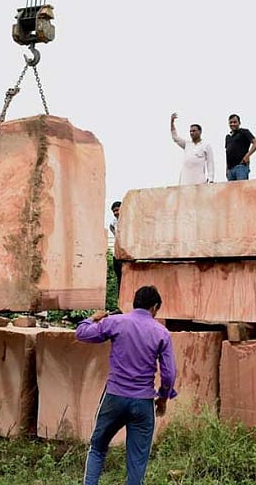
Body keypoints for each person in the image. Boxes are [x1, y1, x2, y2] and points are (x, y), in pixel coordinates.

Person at [76, 285, 177, 485]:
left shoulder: (115, 322)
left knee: (97, 447)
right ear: (155, 307)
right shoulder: (161, 333)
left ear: (134, 303)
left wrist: (93, 318)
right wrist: (163, 399)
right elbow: (169, 373)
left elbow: (81, 333)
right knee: (137, 460)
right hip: (143, 402)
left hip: (114, 397)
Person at [170, 112, 214, 185]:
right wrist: (172, 123)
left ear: (200, 132)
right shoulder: (187, 144)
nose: (191, 133)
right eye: (190, 131)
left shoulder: (206, 145)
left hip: (199, 181)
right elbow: (175, 138)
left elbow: (210, 163)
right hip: (185, 181)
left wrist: (211, 179)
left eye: (194, 131)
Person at [225, 113, 256, 181]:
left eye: (235, 122)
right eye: (231, 122)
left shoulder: (244, 132)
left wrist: (247, 156)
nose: (233, 124)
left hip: (241, 167)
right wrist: (226, 169)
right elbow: (227, 152)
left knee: (242, 189)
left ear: (239, 123)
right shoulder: (228, 137)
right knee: (232, 191)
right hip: (230, 170)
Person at [109, 201, 123, 295]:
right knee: (119, 279)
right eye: (114, 211)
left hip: (126, 256)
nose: (115, 213)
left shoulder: (128, 220)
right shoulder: (113, 223)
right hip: (117, 254)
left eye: (117, 210)